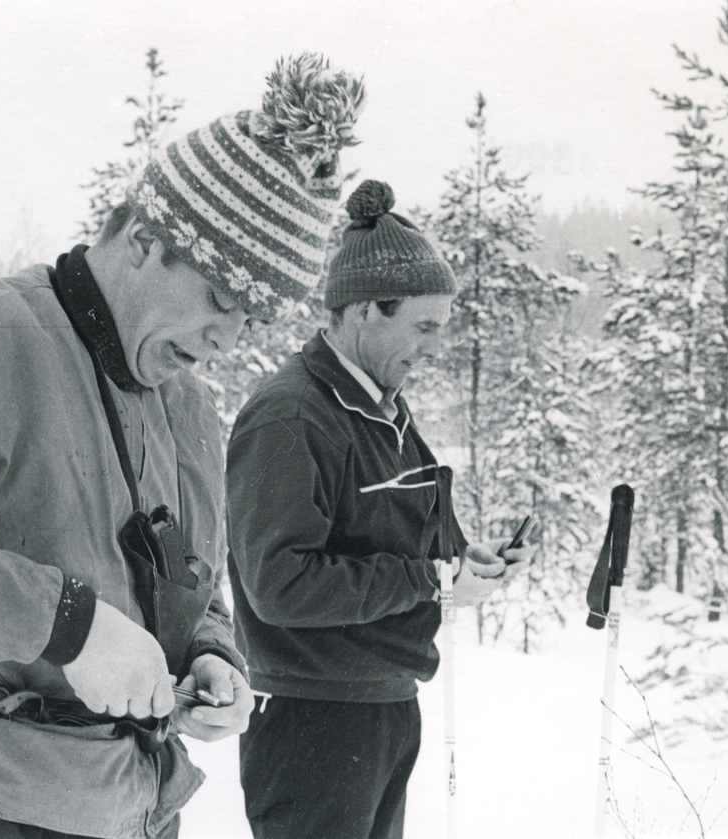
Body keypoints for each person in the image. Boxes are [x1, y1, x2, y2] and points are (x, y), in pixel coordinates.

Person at [0, 54, 364, 839]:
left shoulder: (187, 403)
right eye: (222, 298)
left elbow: (182, 579)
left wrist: (212, 657)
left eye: (253, 318)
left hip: (132, 810)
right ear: (146, 239)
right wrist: (65, 624)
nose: (227, 337)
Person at [225, 178, 534, 839]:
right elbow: (280, 584)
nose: (431, 347)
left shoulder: (388, 415)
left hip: (384, 709)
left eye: (440, 329)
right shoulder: (291, 416)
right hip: (315, 722)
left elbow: (417, 549)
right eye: (422, 326)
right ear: (365, 310)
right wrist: (429, 578)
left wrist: (465, 561)